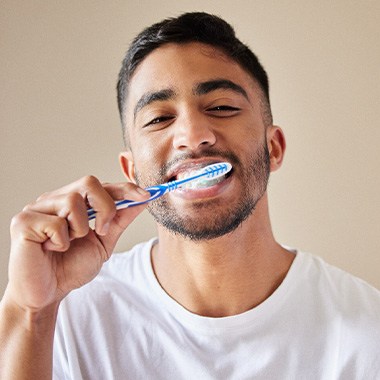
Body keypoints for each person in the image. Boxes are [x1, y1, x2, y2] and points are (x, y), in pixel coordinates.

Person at [1, 12, 379, 380]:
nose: (193, 134)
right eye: (159, 118)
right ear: (132, 171)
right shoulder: (64, 319)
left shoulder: (367, 334)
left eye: (221, 107)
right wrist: (29, 311)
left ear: (274, 147)